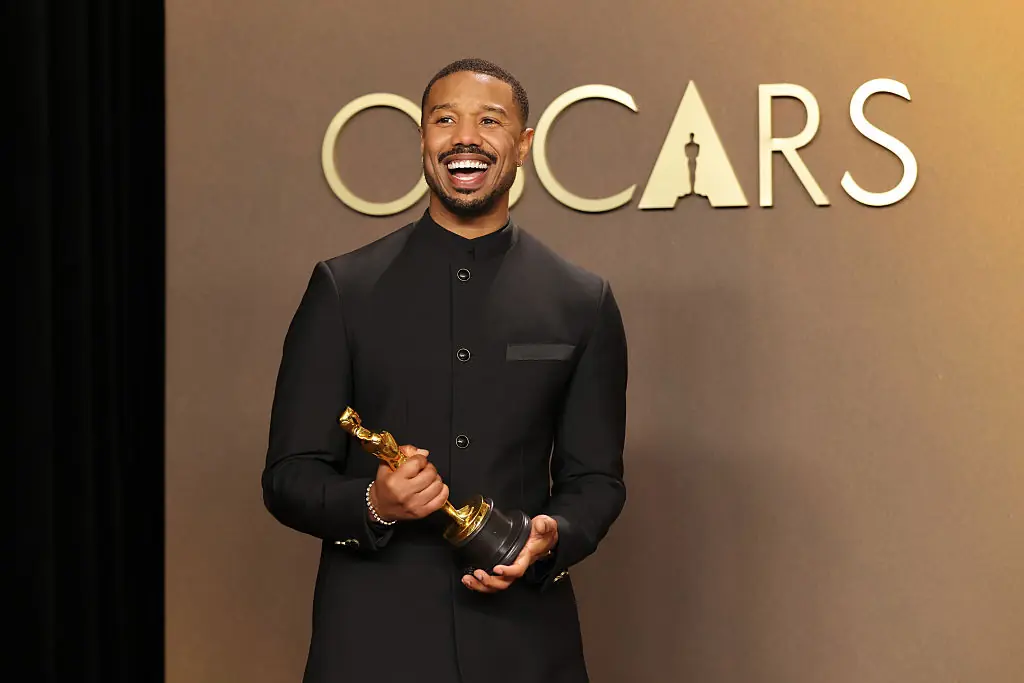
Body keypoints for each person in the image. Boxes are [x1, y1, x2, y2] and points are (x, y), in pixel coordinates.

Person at [262, 57, 628, 683]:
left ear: (524, 144)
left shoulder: (582, 300)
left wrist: (552, 537)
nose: (466, 137)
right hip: (369, 645)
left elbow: (596, 480)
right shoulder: (342, 289)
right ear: (424, 140)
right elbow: (288, 476)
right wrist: (374, 502)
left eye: (490, 121)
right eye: (444, 119)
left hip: (525, 646)